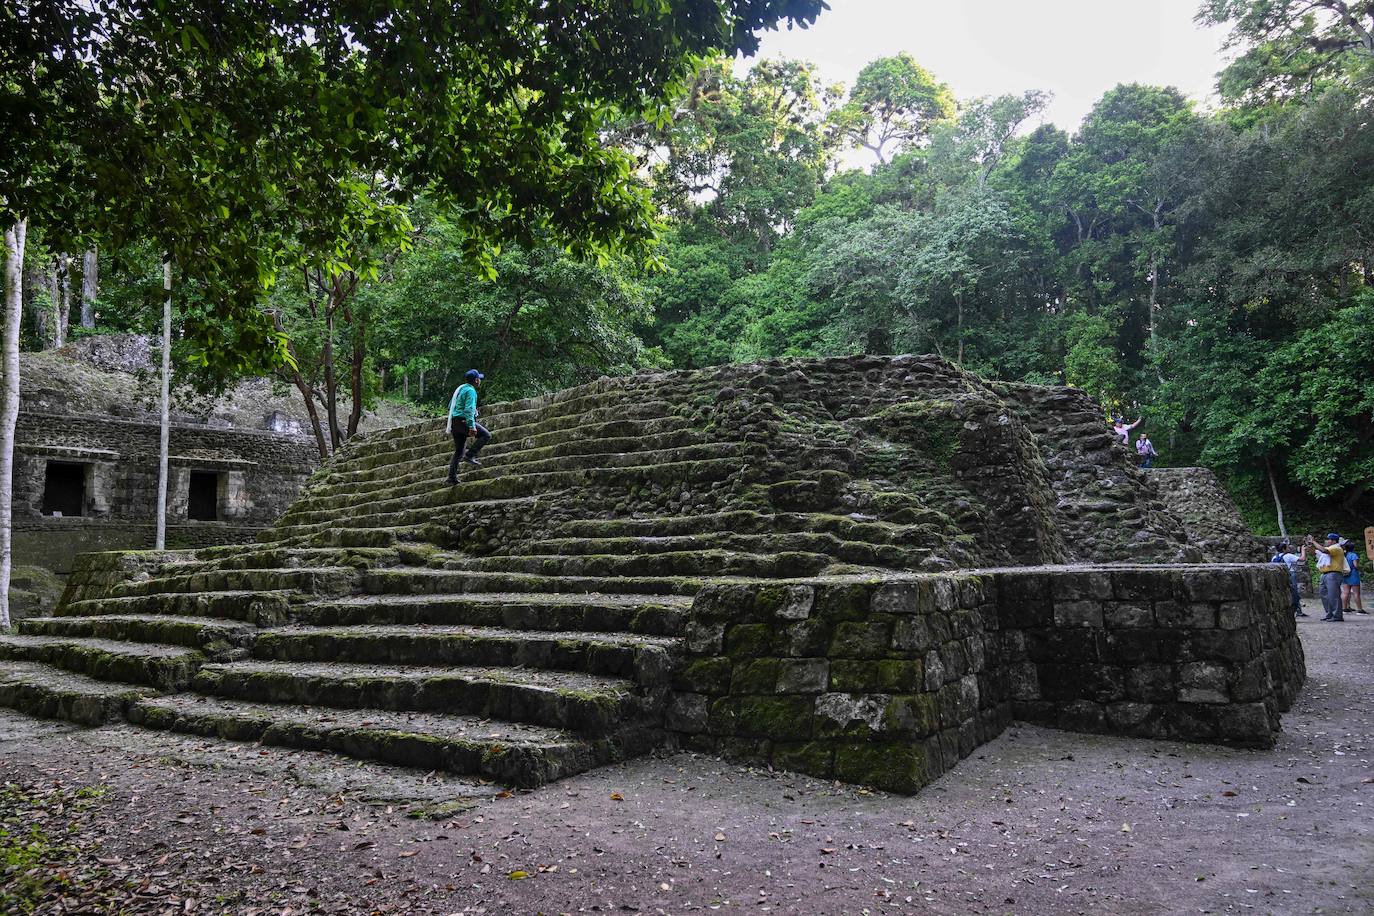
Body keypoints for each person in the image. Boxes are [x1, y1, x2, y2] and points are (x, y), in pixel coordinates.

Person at [445, 369, 491, 484]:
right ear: (476, 380)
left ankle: (451, 478)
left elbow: (450, 405)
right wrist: (472, 426)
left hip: (454, 422)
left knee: (459, 451)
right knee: (486, 435)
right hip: (463, 421)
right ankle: (470, 455)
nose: (480, 380)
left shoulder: (460, 389)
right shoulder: (471, 391)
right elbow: (468, 409)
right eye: (479, 379)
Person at [1307, 533, 1347, 622]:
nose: (1326, 541)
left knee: (1333, 595)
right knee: (1324, 595)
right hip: (1325, 573)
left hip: (1333, 574)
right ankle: (1329, 614)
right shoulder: (1329, 549)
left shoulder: (1336, 548)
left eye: (1328, 539)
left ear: (1333, 541)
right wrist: (1309, 545)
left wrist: (1314, 541)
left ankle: (1337, 616)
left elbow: (1324, 551)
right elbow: (1314, 552)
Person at [1271, 541, 1306, 617]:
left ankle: (1297, 611)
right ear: (1284, 549)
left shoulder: (1274, 558)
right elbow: (1302, 559)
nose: (1289, 548)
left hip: (1279, 577)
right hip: (1290, 574)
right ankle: (1295, 610)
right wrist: (1303, 550)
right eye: (1287, 547)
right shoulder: (1289, 556)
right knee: (1294, 593)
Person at [1341, 539, 1365, 614]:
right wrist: (1361, 568)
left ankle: (1344, 608)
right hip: (1353, 575)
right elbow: (1356, 565)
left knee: (1345, 592)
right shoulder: (1353, 555)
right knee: (1356, 593)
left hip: (1345, 574)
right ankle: (1360, 610)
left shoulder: (1344, 555)